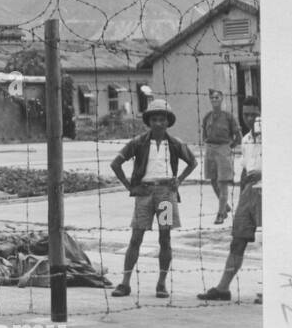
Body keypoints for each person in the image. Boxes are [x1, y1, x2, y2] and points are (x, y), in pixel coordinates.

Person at [109, 98, 197, 299]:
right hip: (145, 195)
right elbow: (116, 164)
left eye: (162, 119)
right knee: (136, 237)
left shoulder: (175, 144)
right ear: (149, 121)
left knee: (165, 237)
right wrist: (130, 187)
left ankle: (161, 283)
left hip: (165, 195)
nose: (158, 123)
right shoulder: (138, 142)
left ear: (168, 122)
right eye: (155, 119)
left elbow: (192, 162)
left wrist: (179, 180)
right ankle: (125, 282)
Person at [199, 99, 262, 302]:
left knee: (270, 241)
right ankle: (223, 288)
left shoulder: (273, 136)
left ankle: (273, 287)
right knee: (238, 239)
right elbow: (245, 168)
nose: (250, 119)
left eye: (254, 114)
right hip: (249, 194)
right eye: (246, 115)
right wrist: (244, 192)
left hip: (268, 191)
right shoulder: (245, 139)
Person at [200, 88, 242, 224]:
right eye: (212, 98)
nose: (214, 100)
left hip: (224, 149)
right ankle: (225, 206)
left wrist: (229, 147)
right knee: (213, 180)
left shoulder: (228, 117)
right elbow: (204, 134)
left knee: (222, 182)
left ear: (222, 98)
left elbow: (238, 136)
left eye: (217, 97)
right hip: (210, 149)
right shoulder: (207, 116)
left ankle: (221, 213)